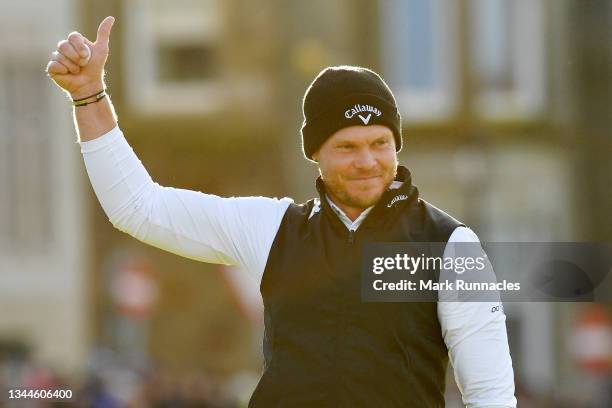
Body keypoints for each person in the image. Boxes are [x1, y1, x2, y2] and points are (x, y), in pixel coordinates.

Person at [46, 16, 517, 408]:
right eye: (348, 146)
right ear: (316, 152)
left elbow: (491, 394)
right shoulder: (272, 228)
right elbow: (138, 207)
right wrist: (89, 96)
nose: (368, 161)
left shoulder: (452, 246)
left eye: (380, 144)